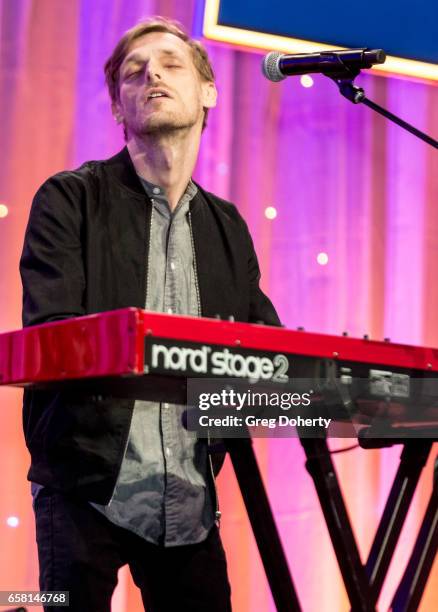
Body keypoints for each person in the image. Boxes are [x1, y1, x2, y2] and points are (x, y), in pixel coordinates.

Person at [20, 16, 280, 612]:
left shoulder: (228, 226)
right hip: (85, 490)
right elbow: (53, 338)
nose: (152, 76)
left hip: (189, 500)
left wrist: (338, 386)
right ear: (118, 107)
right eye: (134, 74)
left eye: (169, 63)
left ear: (208, 91)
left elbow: (269, 350)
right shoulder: (69, 199)